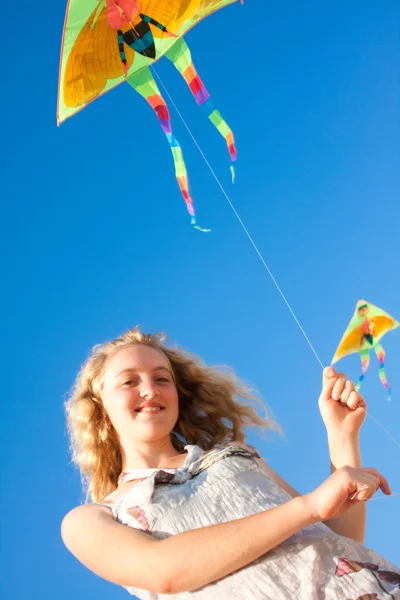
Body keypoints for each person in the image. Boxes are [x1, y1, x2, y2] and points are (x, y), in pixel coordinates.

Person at [62, 326, 400, 599]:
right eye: (129, 381)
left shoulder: (236, 457)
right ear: (100, 406)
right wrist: (308, 506)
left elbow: (341, 539)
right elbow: (164, 571)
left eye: (162, 378)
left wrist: (341, 436)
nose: (150, 389)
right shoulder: (92, 520)